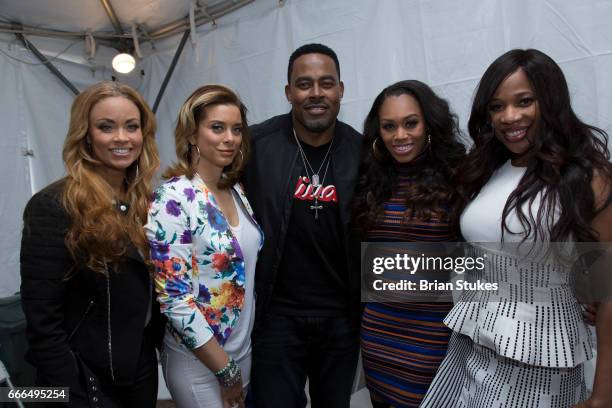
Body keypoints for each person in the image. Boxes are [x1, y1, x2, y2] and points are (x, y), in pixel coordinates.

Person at [421, 49, 612, 407]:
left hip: (540, 361)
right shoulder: (488, 168)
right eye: (496, 106)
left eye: (524, 101)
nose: (509, 117)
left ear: (551, 102)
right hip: (471, 347)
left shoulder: (588, 178)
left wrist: (603, 396)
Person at [20, 81, 162, 407]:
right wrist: (73, 391)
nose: (122, 138)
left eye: (132, 126)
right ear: (85, 135)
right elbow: (43, 324)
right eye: (106, 127)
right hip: (82, 380)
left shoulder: (147, 203)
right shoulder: (54, 206)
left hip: (138, 371)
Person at [242, 43, 363, 407]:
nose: (315, 94)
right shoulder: (256, 146)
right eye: (304, 84)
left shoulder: (363, 152)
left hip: (341, 319)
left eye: (326, 83)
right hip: (277, 317)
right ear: (288, 92)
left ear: (341, 90)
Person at [146, 84, 263, 408]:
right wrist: (225, 370)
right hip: (199, 362)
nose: (230, 138)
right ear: (192, 135)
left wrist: (237, 363)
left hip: (242, 352)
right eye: (217, 127)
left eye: (236, 129)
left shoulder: (235, 190)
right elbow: (174, 299)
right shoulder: (172, 198)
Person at [351, 80, 466, 407]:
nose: (400, 136)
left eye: (410, 123)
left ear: (429, 124)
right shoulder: (372, 180)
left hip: (434, 339)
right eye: (389, 126)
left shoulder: (458, 177)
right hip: (379, 335)